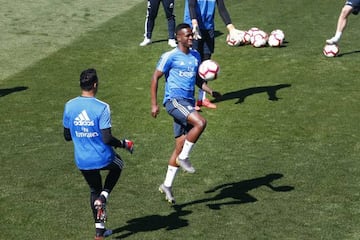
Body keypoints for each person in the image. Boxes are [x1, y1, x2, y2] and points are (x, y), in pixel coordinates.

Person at [150, 23, 221, 204]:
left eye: (191, 35)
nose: (191, 38)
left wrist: (211, 91)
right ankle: (184, 158)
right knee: (201, 123)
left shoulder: (196, 56)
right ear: (178, 37)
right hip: (173, 101)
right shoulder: (170, 56)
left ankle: (167, 185)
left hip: (187, 104)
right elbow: (155, 77)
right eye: (188, 36)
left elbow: (197, 80)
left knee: (180, 145)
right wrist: (154, 104)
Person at [63, 68, 134, 240]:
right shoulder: (102, 107)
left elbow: (66, 136)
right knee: (119, 165)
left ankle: (99, 233)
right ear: (95, 85)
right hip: (103, 157)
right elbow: (107, 138)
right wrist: (123, 144)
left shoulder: (69, 105)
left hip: (82, 160)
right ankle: (104, 196)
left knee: (94, 189)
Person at [184, 0, 241, 110]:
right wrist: (194, 24)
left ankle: (202, 98)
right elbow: (191, 5)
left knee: (206, 63)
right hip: (193, 27)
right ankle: (190, 100)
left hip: (208, 28)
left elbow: (221, 8)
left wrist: (231, 28)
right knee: (193, 65)